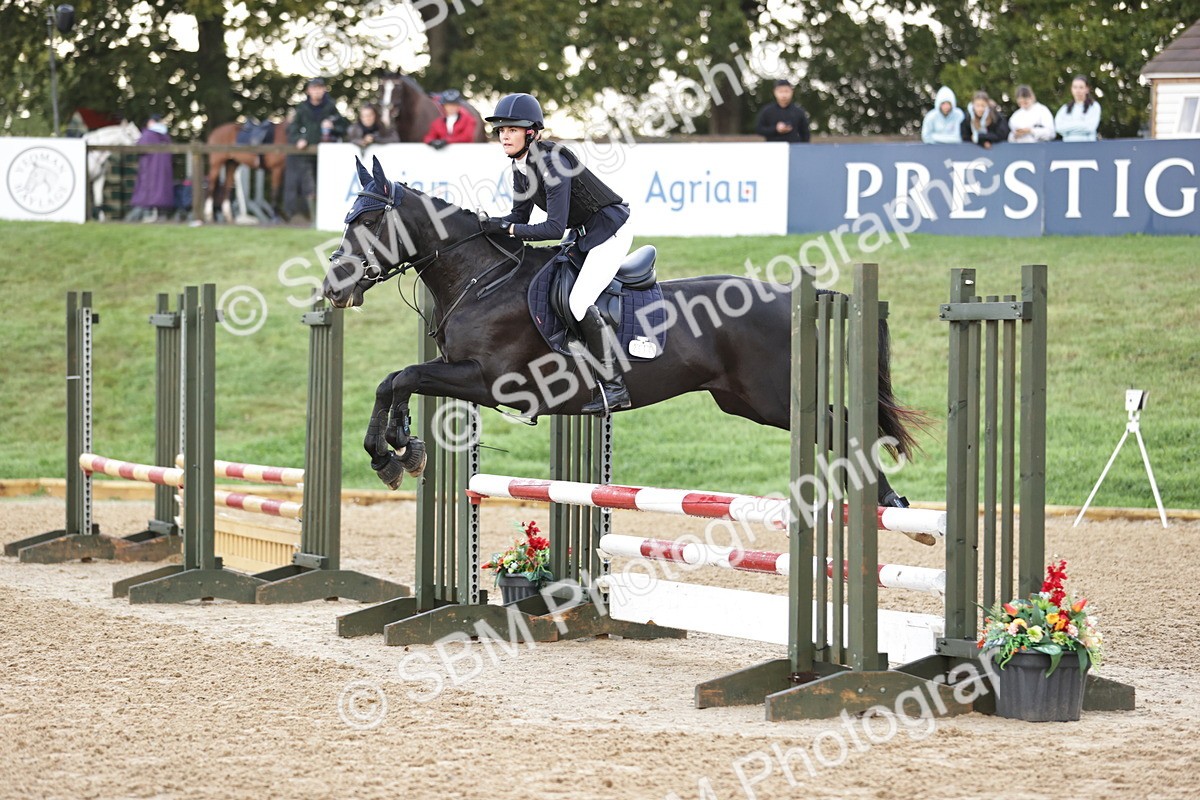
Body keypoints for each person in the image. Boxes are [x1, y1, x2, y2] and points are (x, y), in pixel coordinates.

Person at [482, 93, 633, 414]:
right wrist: (484, 226)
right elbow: (518, 217)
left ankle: (615, 387)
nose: (504, 136)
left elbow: (553, 228)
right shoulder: (520, 166)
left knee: (578, 302)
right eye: (501, 130)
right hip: (585, 234)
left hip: (610, 232)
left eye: (512, 129)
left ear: (531, 133)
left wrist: (507, 229)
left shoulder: (553, 163)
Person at [283, 77, 347, 220]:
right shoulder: (302, 108)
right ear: (308, 91)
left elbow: (344, 127)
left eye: (319, 88)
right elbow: (292, 129)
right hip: (306, 154)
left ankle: (326, 217)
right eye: (314, 88)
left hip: (327, 155)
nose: (317, 91)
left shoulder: (331, 107)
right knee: (308, 186)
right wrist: (299, 139)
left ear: (324, 90)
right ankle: (311, 217)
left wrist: (333, 127)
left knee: (326, 185)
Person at [129, 113, 174, 222]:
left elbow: (139, 149)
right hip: (164, 171)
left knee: (147, 192)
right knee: (161, 189)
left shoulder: (147, 134)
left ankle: (144, 215)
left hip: (149, 170)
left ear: (151, 122)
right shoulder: (166, 136)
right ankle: (161, 215)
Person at [1055, 75, 1101, 142]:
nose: (1078, 90)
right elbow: (1059, 128)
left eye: (1081, 87)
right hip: (1068, 146)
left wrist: (1068, 126)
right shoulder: (1065, 109)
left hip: (1088, 146)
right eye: (1075, 87)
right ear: (1071, 89)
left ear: (1087, 89)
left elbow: (1090, 127)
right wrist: (1081, 124)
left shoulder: (1094, 106)